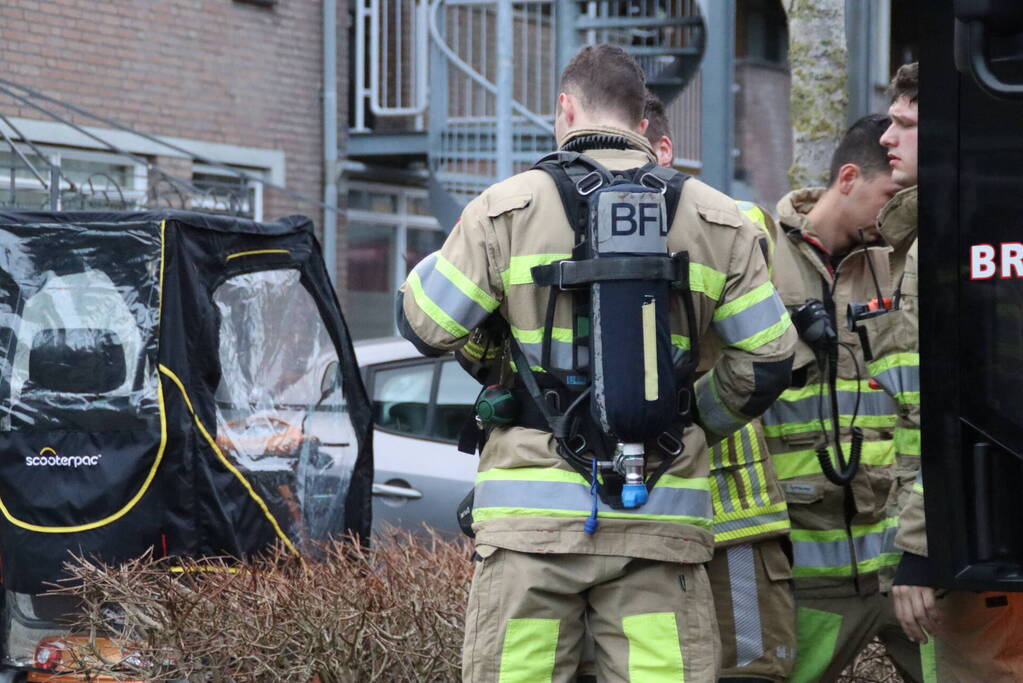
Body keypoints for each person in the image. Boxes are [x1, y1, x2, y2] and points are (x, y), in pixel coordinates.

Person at [397, 44, 796, 682]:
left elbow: (427, 325)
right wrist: (690, 422)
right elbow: (771, 358)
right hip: (661, 519)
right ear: (643, 123)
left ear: (564, 108)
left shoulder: (505, 209)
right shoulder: (720, 220)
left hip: (532, 533)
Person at [866, 61, 1023, 682]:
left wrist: (920, 553)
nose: (886, 137)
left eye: (905, 124)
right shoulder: (987, 224)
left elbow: (947, 413)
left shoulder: (945, 243)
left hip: (967, 551)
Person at [763, 114, 924, 683]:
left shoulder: (902, 264)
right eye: (889, 197)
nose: (896, 215)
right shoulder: (758, 256)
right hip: (808, 572)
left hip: (904, 567)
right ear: (849, 177)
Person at [644, 90, 796, 683]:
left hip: (732, 519)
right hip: (643, 521)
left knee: (747, 674)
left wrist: (690, 424)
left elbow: (754, 229)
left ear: (665, 151)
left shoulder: (730, 223)